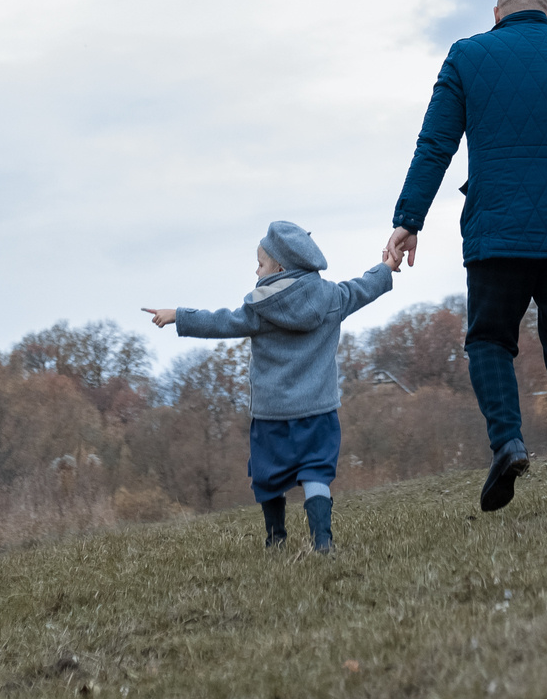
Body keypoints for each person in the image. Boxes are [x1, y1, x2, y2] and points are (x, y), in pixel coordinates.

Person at [383, 0, 547, 514]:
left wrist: (409, 220)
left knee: (489, 340)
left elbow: (435, 144)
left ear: (496, 13)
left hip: (498, 235)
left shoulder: (467, 55)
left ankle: (509, 442)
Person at [145, 220, 392, 553]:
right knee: (316, 473)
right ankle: (323, 540)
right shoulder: (332, 297)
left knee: (268, 476)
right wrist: (387, 266)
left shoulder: (259, 310)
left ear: (279, 267)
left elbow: (220, 322)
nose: (256, 270)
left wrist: (179, 314)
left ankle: (276, 539)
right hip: (318, 411)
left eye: (260, 264)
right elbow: (364, 287)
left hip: (271, 414)